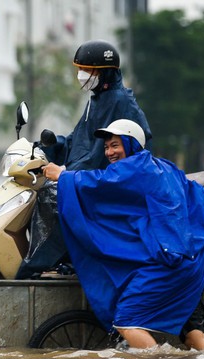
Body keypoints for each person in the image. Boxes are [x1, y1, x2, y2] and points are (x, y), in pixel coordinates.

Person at [42, 119, 204, 351]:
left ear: (131, 144)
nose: (110, 152)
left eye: (115, 145)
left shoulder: (133, 169)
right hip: (188, 265)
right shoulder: (163, 166)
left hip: (165, 264)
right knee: (192, 335)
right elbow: (193, 193)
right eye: (107, 147)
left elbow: (98, 183)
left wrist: (63, 175)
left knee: (126, 321)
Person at [17, 39, 153, 279]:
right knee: (47, 190)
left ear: (105, 72)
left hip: (112, 180)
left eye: (87, 70)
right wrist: (51, 146)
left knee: (52, 197)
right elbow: (79, 139)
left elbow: (103, 153)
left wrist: (66, 174)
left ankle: (41, 265)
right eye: (80, 69)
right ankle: (58, 259)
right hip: (91, 175)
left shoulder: (119, 101)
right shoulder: (99, 99)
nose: (82, 75)